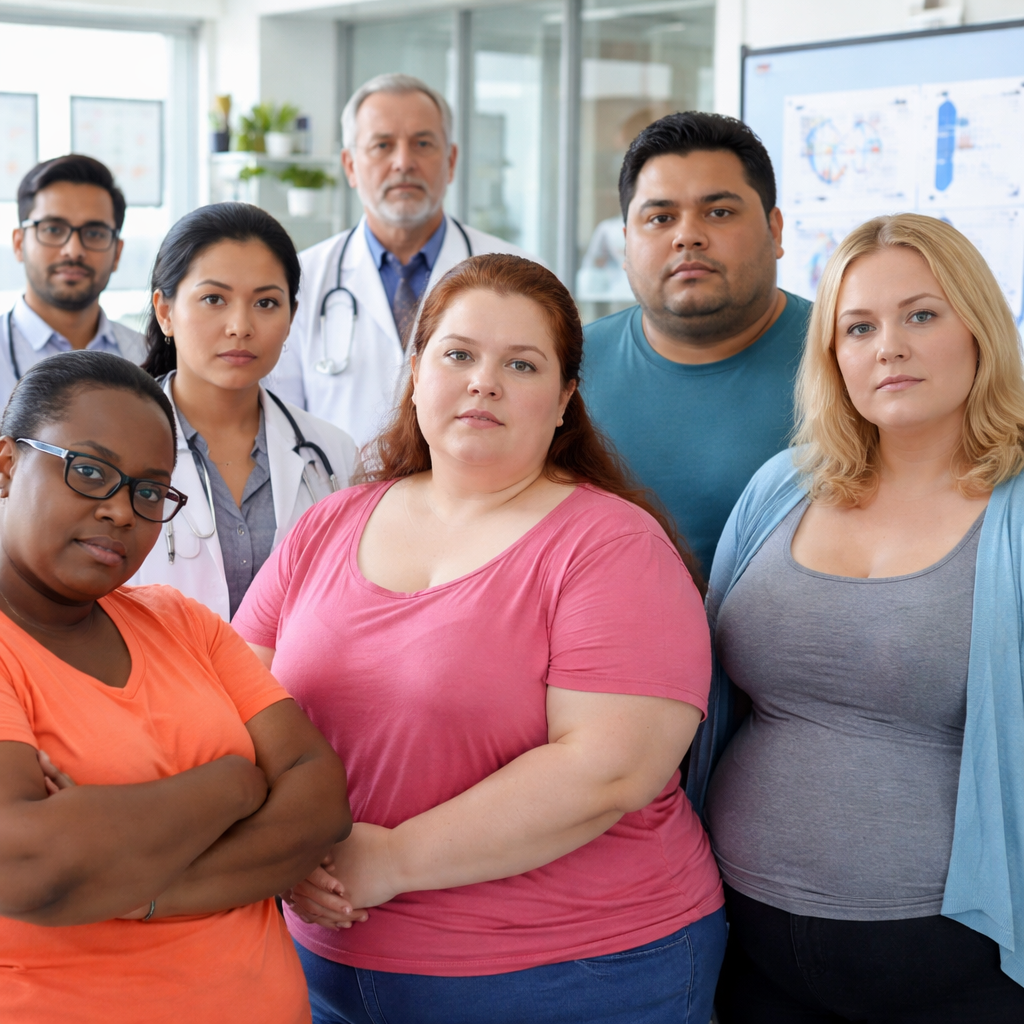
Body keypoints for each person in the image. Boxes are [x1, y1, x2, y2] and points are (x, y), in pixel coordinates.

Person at [233, 254, 726, 1024]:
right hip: (325, 967)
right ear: (417, 371)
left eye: (521, 364)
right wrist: (281, 848)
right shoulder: (329, 523)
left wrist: (391, 861)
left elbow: (608, 772)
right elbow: (236, 705)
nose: (482, 382)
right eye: (457, 354)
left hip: (571, 974)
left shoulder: (612, 548)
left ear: (565, 400)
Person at [688, 214, 1024, 1021]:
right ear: (832, 356)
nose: (889, 347)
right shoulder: (781, 486)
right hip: (744, 936)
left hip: (954, 961)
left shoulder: (1012, 511)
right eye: (859, 327)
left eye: (921, 314)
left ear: (979, 327)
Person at [0, 351, 356, 1023]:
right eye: (89, 471)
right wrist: (235, 787)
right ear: (7, 466)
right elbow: (25, 864)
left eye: (148, 490)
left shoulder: (182, 622)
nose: (119, 511)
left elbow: (320, 798)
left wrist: (145, 886)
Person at [581, 112, 811, 577]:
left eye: (719, 212)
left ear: (776, 230)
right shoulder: (566, 368)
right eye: (660, 217)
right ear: (626, 246)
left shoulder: (849, 357)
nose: (688, 235)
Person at [266, 73, 526, 449]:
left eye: (422, 143)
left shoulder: (519, 278)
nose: (403, 162)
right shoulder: (301, 279)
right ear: (351, 165)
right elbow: (281, 420)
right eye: (382, 145)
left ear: (451, 161)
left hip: (476, 498)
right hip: (338, 497)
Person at [128, 203, 358, 622]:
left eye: (266, 303)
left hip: (292, 689)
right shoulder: (116, 447)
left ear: (291, 317)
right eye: (214, 298)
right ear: (165, 312)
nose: (240, 325)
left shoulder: (332, 454)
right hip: (149, 684)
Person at [0, 155, 147, 409]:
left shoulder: (148, 358)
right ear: (19, 243)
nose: (73, 250)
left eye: (94, 233)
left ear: (117, 252)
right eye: (53, 229)